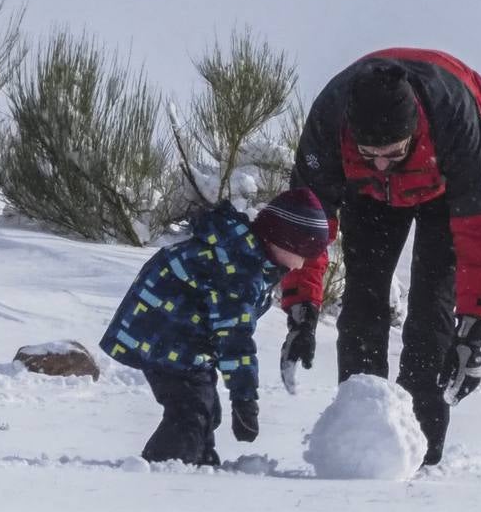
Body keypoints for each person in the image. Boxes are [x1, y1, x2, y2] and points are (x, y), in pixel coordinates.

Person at [278, 48, 481, 466]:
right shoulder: (328, 126)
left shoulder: (454, 120)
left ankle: (418, 443)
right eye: (371, 153)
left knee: (432, 303)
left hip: (444, 186)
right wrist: (301, 311)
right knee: (364, 299)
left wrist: (473, 333)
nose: (383, 164)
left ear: (414, 131)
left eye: (393, 153)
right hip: (365, 195)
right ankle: (359, 430)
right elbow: (308, 227)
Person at [100, 189, 330, 465]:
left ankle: (198, 461)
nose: (304, 263)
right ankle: (164, 468)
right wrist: (244, 399)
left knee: (205, 407)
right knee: (191, 411)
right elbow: (234, 338)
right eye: (303, 253)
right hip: (163, 337)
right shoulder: (238, 267)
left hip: (184, 339)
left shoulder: (246, 256)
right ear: (282, 240)